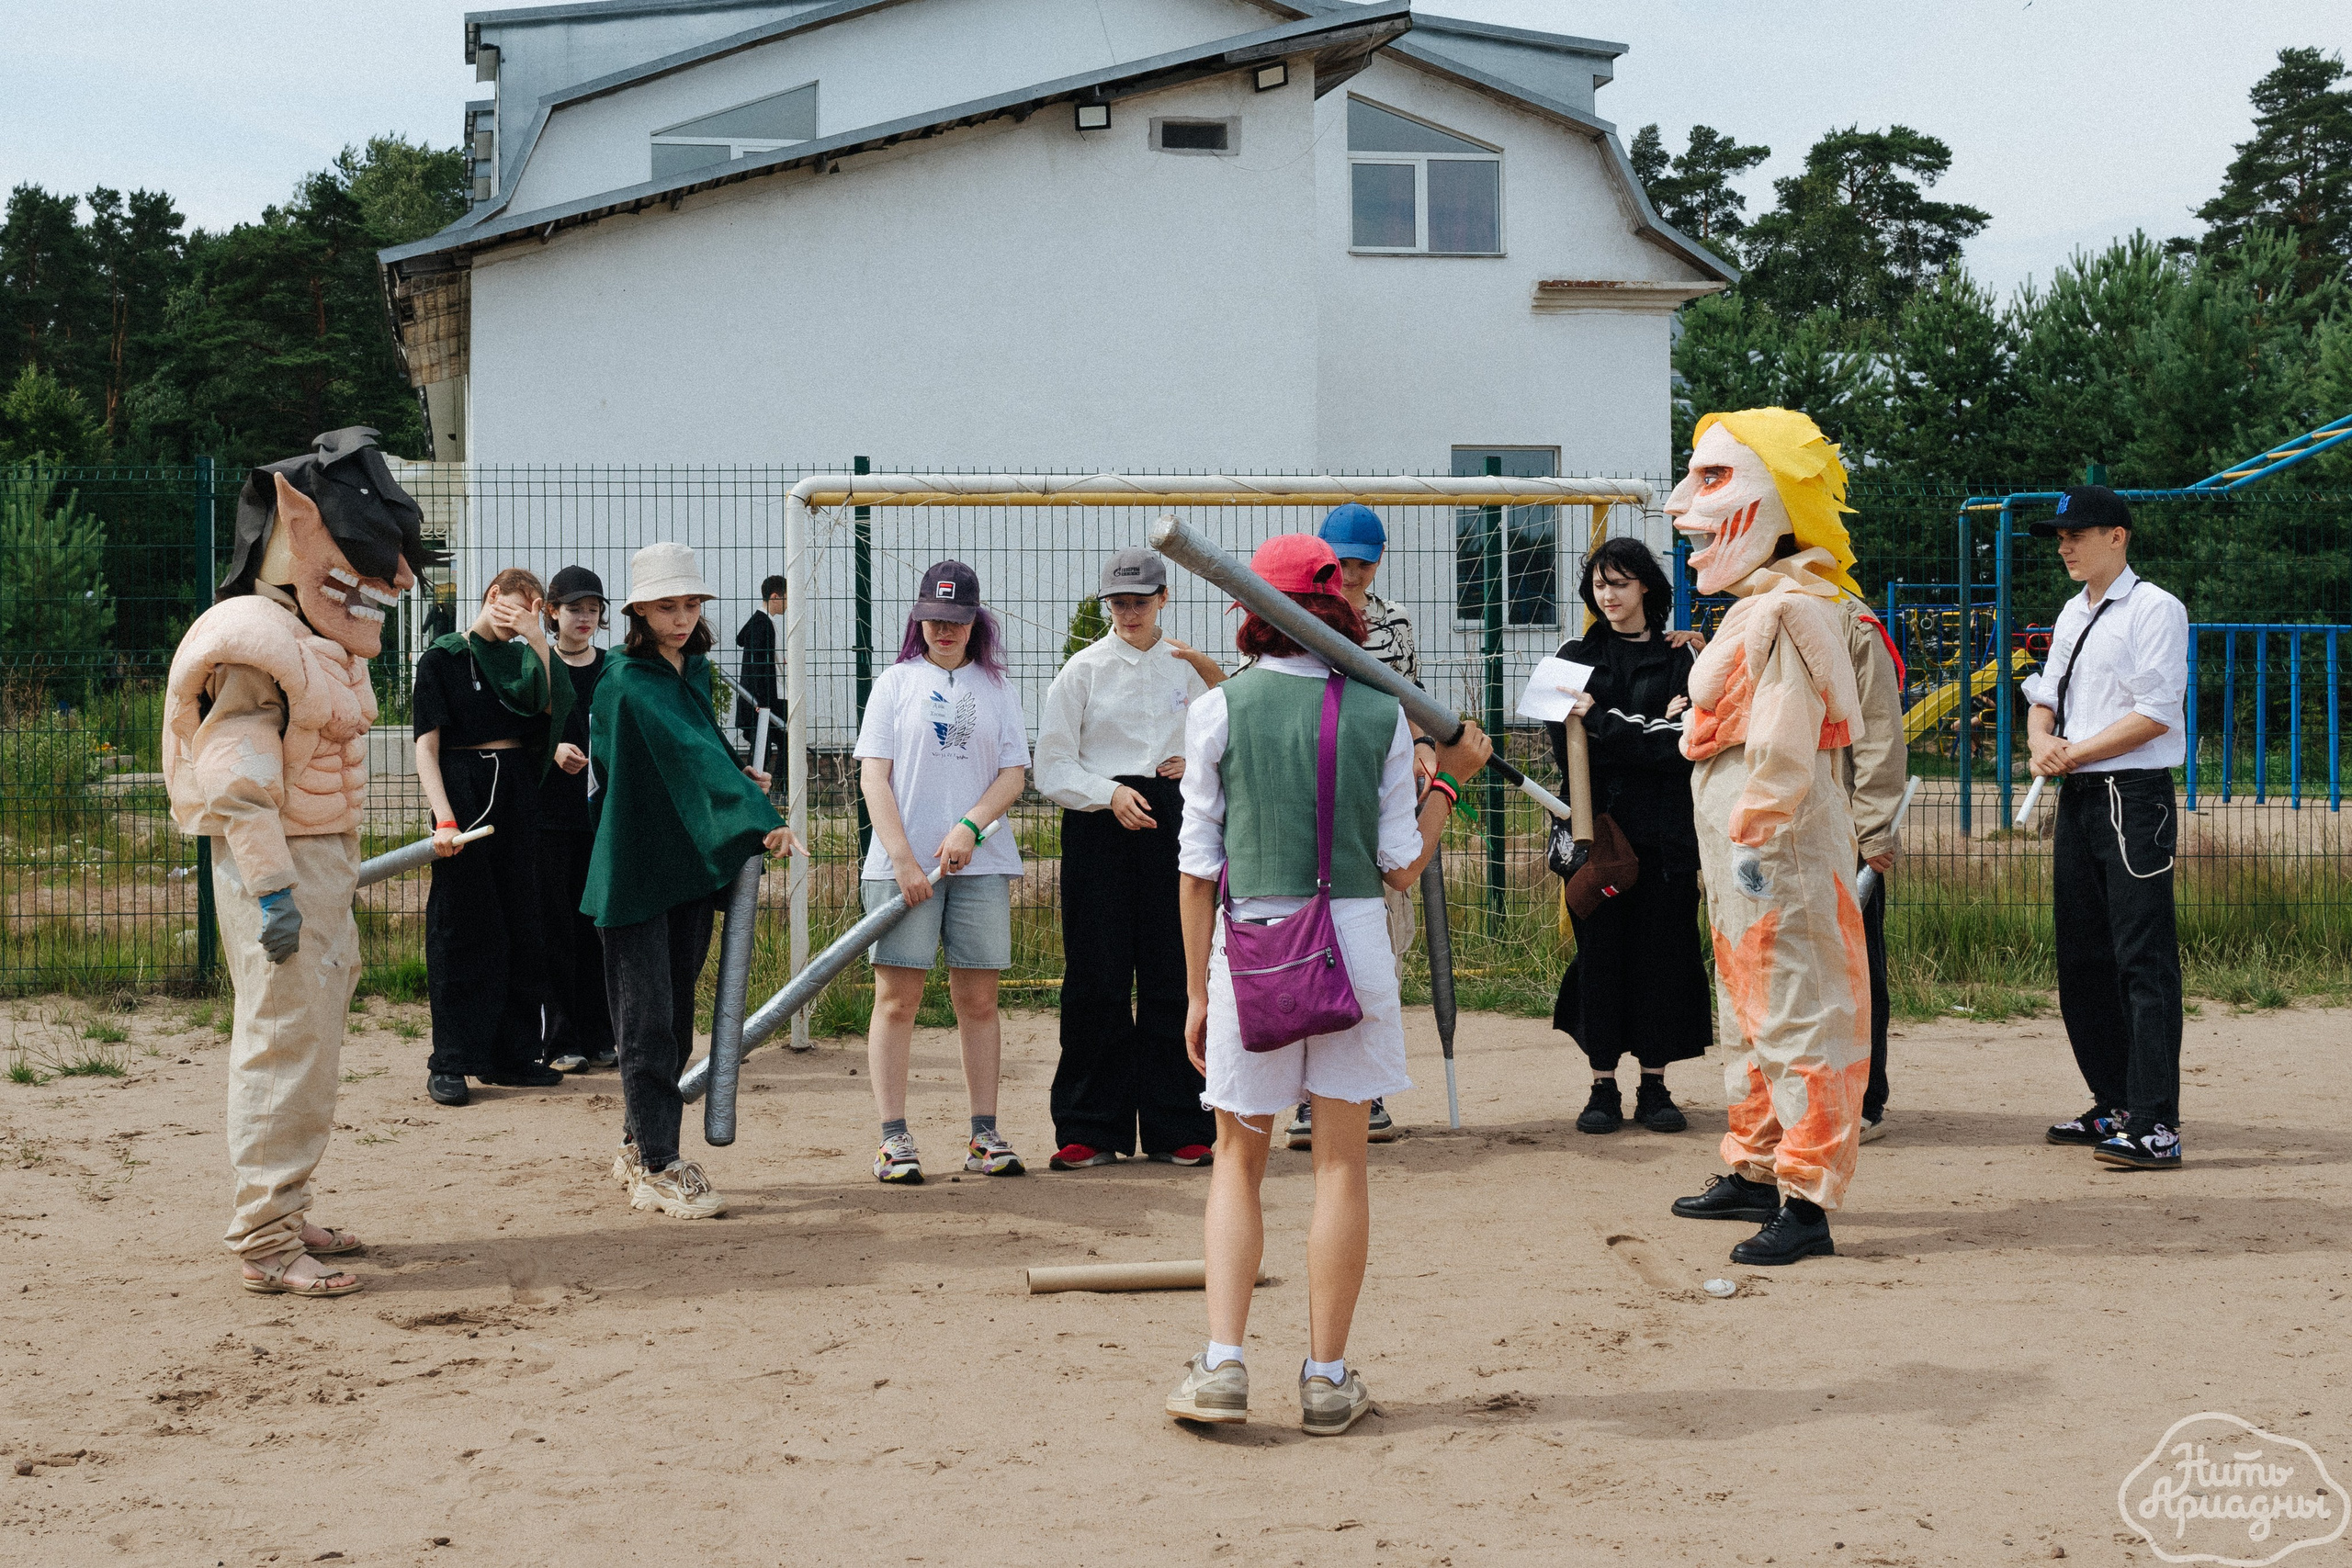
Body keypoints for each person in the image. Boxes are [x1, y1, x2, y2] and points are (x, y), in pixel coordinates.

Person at [1162, 534, 1492, 1435]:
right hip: (1351, 944)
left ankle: (1223, 1366)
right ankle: (1326, 1378)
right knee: (1342, 1162)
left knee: (1239, 1159)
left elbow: (1196, 870)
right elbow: (1400, 867)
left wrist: (1197, 992)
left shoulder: (1218, 709)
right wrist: (1450, 783)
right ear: (1340, 607)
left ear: (1250, 611)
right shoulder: (1381, 712)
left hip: (1255, 950)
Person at [161, 427, 442, 1296]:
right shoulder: (256, 643)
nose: (395, 578)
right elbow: (236, 780)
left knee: (309, 1042)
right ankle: (267, 1239)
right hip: (280, 866)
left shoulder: (303, 636)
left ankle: (285, 1209)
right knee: (284, 1044)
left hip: (318, 862)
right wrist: (274, 890)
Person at [1667, 407, 1870, 1268]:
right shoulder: (1757, 608)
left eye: (1714, 477)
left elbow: (1785, 740)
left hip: (1772, 845)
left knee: (1795, 1008)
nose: (1682, 502)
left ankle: (1807, 1196)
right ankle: (1754, 1164)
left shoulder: (1791, 612)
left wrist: (1754, 831)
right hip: (1741, 849)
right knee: (1746, 1007)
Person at [584, 543, 802, 1218]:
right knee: (646, 1021)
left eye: (690, 605)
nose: (681, 619)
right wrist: (756, 814)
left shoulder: (693, 668)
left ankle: (636, 1143)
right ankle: (657, 1165)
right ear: (638, 613)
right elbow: (679, 755)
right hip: (633, 869)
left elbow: (701, 748)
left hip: (683, 868)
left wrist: (737, 775)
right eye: (665, 607)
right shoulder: (626, 681)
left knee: (673, 1019)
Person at [1034, 548, 1226, 1171]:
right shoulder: (1082, 671)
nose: (1130, 613)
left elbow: (1227, 739)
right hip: (1101, 822)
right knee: (1097, 972)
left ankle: (1181, 1123)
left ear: (1164, 599)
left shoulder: (1190, 668)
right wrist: (1107, 793)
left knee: (1176, 967)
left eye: (1141, 602)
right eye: (1118, 603)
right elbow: (1052, 766)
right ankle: (1090, 1127)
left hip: (1173, 815)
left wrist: (1195, 765)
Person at [2020, 486, 2189, 1170]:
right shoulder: (2073, 611)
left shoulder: (2156, 608)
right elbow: (2046, 696)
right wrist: (2041, 739)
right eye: (2060, 536)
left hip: (2132, 796)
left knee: (2142, 958)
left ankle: (2156, 1122)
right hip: (2081, 793)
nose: (2065, 546)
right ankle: (2113, 1102)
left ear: (2117, 536)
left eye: (2078, 534)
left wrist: (2074, 752)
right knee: (2082, 956)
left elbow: (2156, 711)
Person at [854, 560, 1033, 1185]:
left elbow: (1013, 774)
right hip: (902, 869)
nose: (944, 630)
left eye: (956, 620)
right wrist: (904, 859)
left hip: (981, 865)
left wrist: (971, 827)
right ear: (919, 619)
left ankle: (984, 1134)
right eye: (933, 618)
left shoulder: (997, 686)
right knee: (897, 1000)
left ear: (975, 621)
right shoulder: (895, 683)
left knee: (978, 1000)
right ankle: (893, 1138)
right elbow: (873, 776)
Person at [1548, 536, 1712, 1134]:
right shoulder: (1571, 656)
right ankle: (1602, 1087)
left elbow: (1687, 745)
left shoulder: (1684, 655)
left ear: (1645, 585)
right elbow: (1566, 747)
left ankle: (1654, 1086)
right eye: (1599, 584)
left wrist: (1600, 720)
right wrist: (1652, 728)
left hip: (1667, 841)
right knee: (1601, 958)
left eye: (1619, 582)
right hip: (1599, 839)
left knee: (1662, 958)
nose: (1608, 594)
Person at [1285, 502, 1415, 1153]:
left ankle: (1367, 1088)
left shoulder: (1395, 623)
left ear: (1379, 560)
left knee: (1379, 942)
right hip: (1311, 794)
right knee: (1308, 938)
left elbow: (1408, 700)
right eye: (1343, 561)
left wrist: (1420, 754)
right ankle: (1307, 1093)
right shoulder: (1301, 617)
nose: (1354, 572)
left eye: (1364, 562)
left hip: (1374, 786)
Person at [414, 568, 569, 1106]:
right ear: (492, 596)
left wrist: (536, 639)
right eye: (518, 606)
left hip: (518, 791)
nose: (521, 618)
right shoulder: (443, 658)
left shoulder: (525, 661)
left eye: (534, 611)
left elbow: (553, 707)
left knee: (524, 920)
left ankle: (513, 1056)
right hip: (464, 787)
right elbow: (426, 746)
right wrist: (444, 818)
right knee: (462, 925)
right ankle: (453, 1060)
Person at [537, 565, 617, 1074]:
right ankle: (560, 1039)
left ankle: (601, 1034)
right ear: (551, 611)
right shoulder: (538, 664)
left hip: (601, 819)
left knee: (598, 929)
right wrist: (551, 751)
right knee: (555, 928)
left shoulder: (612, 668)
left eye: (593, 609)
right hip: (550, 819)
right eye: (574, 609)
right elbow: (517, 732)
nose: (584, 618)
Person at [1837, 591, 1907, 1143]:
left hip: (1843, 831)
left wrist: (1876, 827)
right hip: (1778, 831)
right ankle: (1800, 1096)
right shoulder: (1751, 612)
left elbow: (1880, 730)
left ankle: (1862, 1098)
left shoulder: (1850, 621)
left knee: (1855, 965)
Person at [735, 573, 786, 778]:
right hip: (765, 700)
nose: (788, 605)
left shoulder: (762, 621)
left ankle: (770, 786)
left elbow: (741, 639)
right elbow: (758, 667)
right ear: (775, 597)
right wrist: (763, 703)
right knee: (781, 743)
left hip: (764, 698)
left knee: (765, 746)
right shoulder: (762, 624)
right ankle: (779, 787)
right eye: (786, 598)